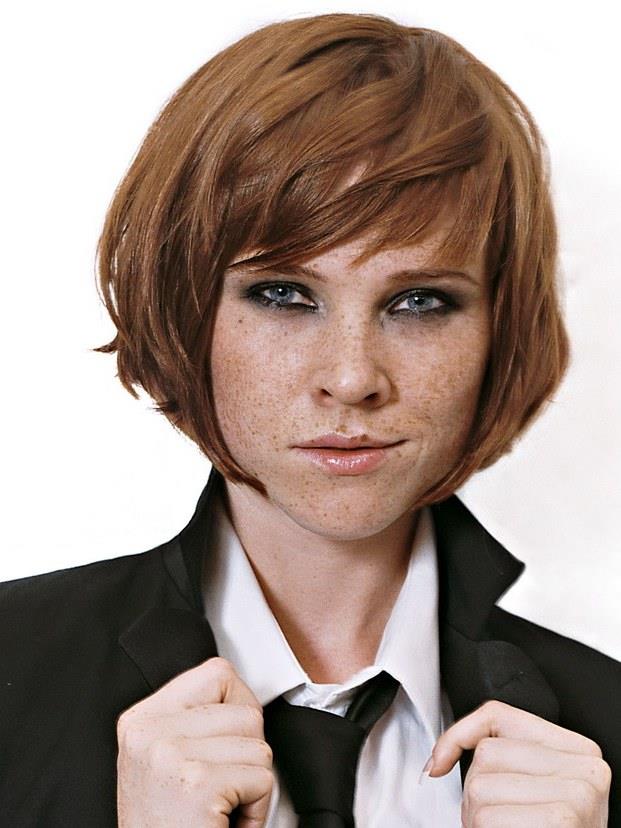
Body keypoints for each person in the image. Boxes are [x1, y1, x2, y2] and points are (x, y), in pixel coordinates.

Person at [0, 11, 619, 827]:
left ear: (497, 333)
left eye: (419, 302)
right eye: (283, 295)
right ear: (185, 307)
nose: (351, 378)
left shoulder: (603, 730)